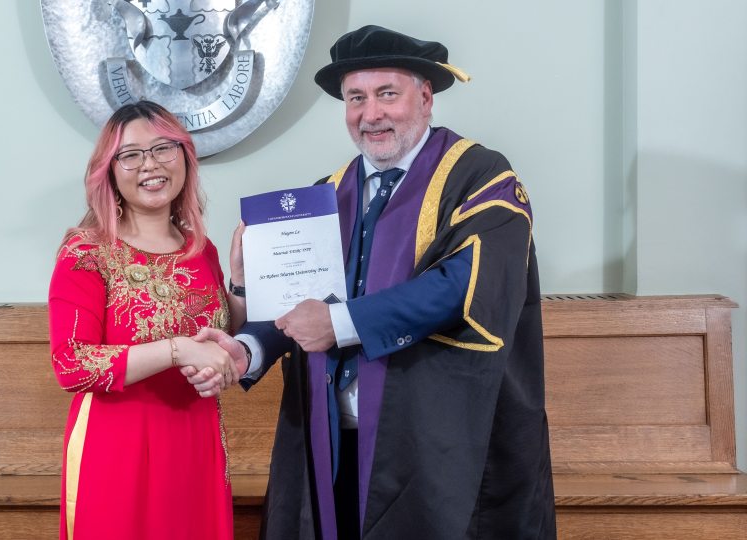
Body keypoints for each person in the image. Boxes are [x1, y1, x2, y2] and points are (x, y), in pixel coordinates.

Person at [196, 25, 556, 539]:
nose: (371, 114)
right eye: (356, 98)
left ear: (426, 97)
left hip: (436, 442)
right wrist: (249, 348)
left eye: (388, 94)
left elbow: (462, 284)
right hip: (333, 439)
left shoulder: (482, 178)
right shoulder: (327, 194)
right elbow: (299, 303)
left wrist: (340, 322)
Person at [47, 100, 245, 540]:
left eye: (163, 149)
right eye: (131, 154)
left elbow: (221, 339)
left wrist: (240, 281)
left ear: (185, 158)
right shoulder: (86, 252)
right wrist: (177, 350)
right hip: (118, 446)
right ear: (110, 171)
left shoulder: (201, 249)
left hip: (196, 441)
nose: (150, 165)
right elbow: (73, 365)